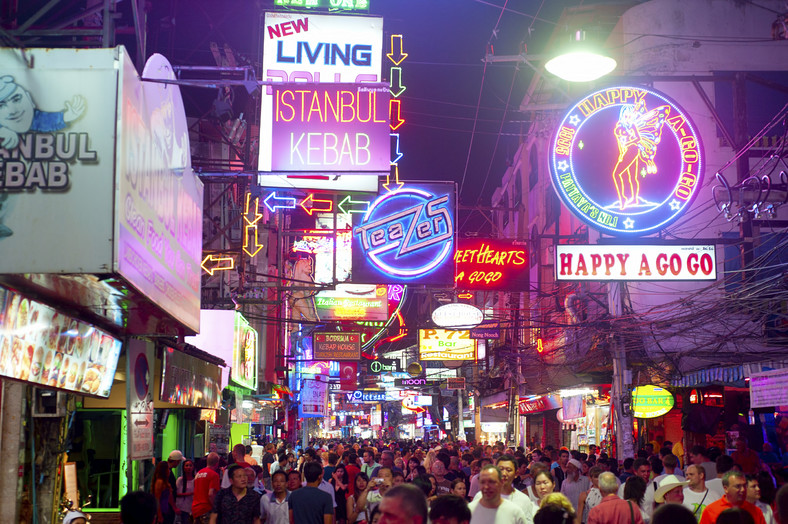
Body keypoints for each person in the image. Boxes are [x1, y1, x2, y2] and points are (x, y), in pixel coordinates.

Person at [698, 471, 766, 524]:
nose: (743, 490)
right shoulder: (710, 510)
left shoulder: (756, 511)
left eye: (744, 485)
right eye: (738, 486)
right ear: (726, 489)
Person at [193, 452, 222, 524]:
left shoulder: (198, 474)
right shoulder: (214, 475)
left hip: (195, 509)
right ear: (217, 463)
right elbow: (211, 494)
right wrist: (215, 508)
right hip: (206, 509)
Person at [176, 459, 196, 524]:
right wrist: (189, 494)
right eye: (187, 465)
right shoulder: (180, 480)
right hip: (182, 508)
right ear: (183, 468)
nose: (189, 467)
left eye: (190, 465)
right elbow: (176, 493)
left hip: (193, 507)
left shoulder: (196, 479)